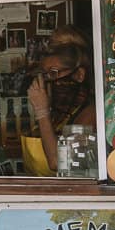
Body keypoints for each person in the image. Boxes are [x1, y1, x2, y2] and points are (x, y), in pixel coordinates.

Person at [26, 29, 95, 174]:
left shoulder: (90, 115)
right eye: (45, 75)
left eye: (54, 73)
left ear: (79, 74)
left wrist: (41, 112)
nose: (49, 80)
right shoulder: (61, 115)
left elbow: (58, 162)